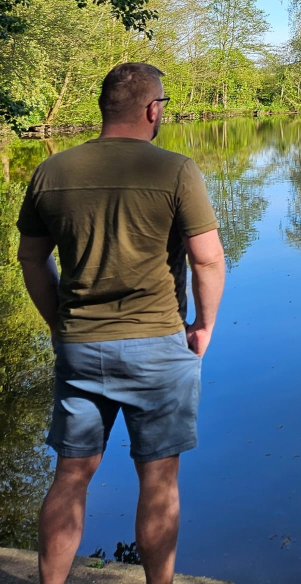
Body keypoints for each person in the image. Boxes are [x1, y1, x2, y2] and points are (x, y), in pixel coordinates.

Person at [17, 62, 226, 584]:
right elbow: (207, 259)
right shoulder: (175, 170)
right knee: (158, 481)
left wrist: (58, 322)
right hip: (157, 344)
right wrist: (204, 326)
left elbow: (31, 258)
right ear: (153, 109)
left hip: (80, 345)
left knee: (71, 475)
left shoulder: (52, 171)